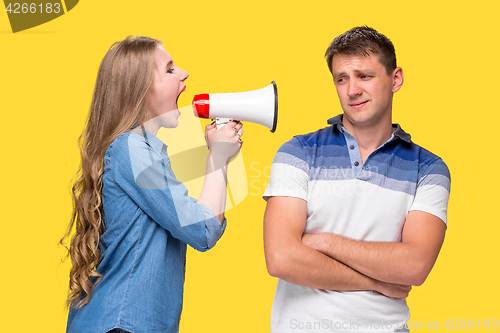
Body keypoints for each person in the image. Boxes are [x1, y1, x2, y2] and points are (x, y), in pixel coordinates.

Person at [263, 26, 450, 333]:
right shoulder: (298, 151)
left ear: (395, 78)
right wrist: (377, 281)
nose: (351, 90)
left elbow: (415, 266)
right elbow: (282, 259)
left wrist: (323, 242)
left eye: (364, 76)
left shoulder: (428, 169)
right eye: (342, 78)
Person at [60, 36, 244, 333]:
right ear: (142, 90)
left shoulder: (139, 151)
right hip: (122, 325)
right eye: (170, 69)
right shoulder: (131, 150)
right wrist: (218, 159)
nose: (184, 73)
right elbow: (201, 229)